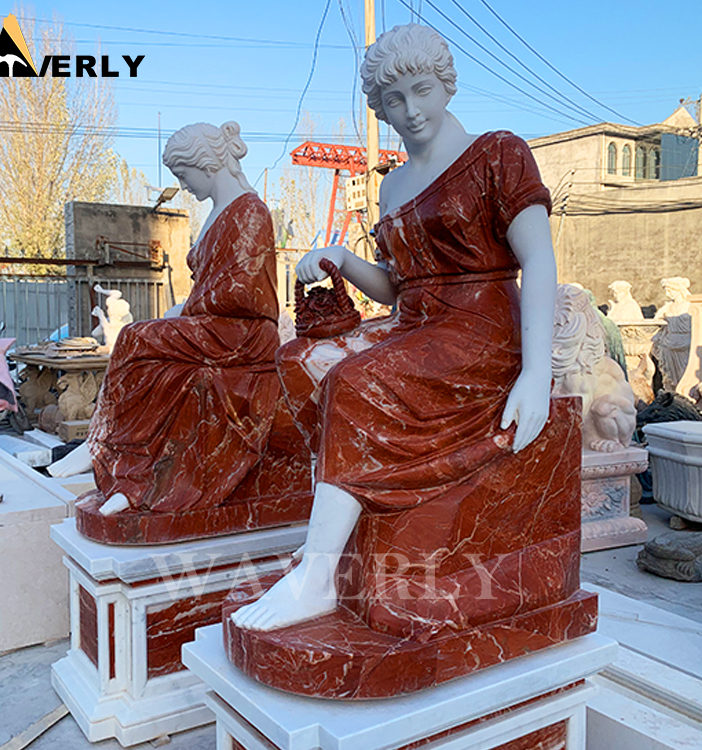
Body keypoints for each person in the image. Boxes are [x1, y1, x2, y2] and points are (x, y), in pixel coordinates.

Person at [232, 23, 563, 633]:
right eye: (392, 102)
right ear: (378, 109)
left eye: (421, 91)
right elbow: (399, 285)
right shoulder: (392, 186)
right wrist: (342, 259)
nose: (409, 112)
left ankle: (318, 577)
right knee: (302, 362)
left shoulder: (497, 152)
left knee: (355, 383)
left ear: (446, 85)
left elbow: (538, 260)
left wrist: (537, 372)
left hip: (481, 329)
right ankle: (328, 540)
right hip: (417, 326)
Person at [49, 121, 282, 519]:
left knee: (136, 338)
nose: (184, 184)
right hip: (215, 324)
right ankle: (116, 457)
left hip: (242, 333)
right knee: (142, 347)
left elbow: (243, 292)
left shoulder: (250, 211)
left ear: (205, 163)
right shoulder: (219, 212)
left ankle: (108, 453)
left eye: (183, 174)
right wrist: (187, 309)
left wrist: (186, 309)